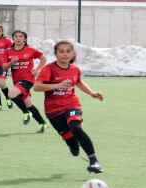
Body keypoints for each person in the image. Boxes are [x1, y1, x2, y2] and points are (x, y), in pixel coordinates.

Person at [34, 40, 104, 173]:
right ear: (55, 54)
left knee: (76, 127)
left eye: (68, 51)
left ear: (73, 54)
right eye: (61, 51)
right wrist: (56, 85)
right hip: (53, 111)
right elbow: (37, 87)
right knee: (70, 139)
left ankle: (94, 161)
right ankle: (72, 144)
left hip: (71, 104)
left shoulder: (75, 69)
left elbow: (78, 82)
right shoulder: (49, 69)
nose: (65, 54)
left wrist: (92, 93)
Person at [3, 30, 48, 132]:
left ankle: (26, 113)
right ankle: (42, 123)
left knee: (11, 94)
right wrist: (11, 62)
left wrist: (37, 69)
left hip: (28, 79)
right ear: (13, 39)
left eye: (21, 36)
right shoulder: (8, 52)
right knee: (28, 104)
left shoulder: (30, 50)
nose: (18, 38)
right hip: (17, 81)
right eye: (16, 36)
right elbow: (4, 67)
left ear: (25, 39)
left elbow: (43, 58)